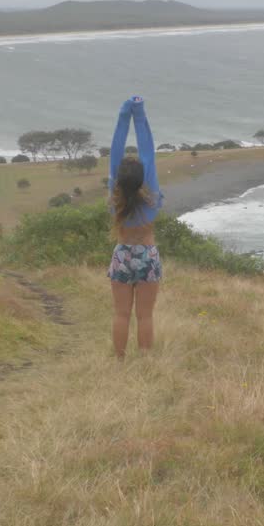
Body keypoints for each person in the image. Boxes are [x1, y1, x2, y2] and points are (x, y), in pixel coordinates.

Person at [106, 95, 164, 359]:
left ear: (118, 179)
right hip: (147, 255)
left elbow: (115, 153)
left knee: (121, 314)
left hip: (122, 255)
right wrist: (139, 114)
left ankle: (119, 360)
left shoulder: (115, 195)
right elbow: (148, 152)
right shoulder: (151, 194)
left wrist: (123, 115)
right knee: (145, 315)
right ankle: (145, 362)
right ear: (143, 178)